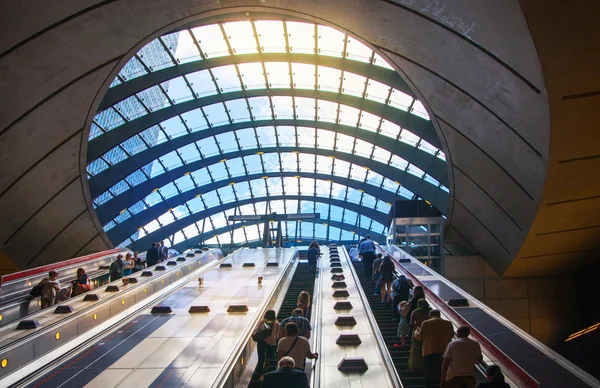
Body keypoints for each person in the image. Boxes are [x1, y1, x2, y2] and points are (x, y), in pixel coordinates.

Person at [419, 310, 454, 388]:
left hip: (428, 350)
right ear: (439, 314)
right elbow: (451, 335)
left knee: (429, 369)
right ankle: (441, 384)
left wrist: (416, 333)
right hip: (443, 349)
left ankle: (429, 385)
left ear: (430, 315)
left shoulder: (426, 323)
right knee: (441, 368)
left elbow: (421, 337)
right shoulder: (447, 323)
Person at [253, 310, 280, 379]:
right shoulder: (276, 323)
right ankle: (266, 373)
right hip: (272, 342)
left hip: (262, 341)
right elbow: (278, 335)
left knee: (261, 358)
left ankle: (259, 373)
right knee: (268, 358)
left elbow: (257, 330)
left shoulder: (262, 321)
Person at [408, 298, 431, 370]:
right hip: (427, 333)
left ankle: (416, 365)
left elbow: (411, 323)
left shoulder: (415, 312)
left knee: (416, 348)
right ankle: (425, 365)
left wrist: (417, 327)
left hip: (417, 331)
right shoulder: (429, 312)